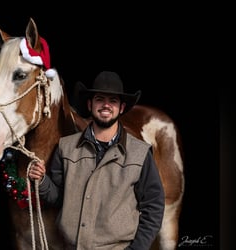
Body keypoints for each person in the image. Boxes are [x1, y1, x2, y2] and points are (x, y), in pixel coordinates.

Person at [29, 71, 165, 250]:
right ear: (90, 104)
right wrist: (42, 181)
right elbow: (59, 198)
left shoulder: (139, 153)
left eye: (113, 101)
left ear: (121, 108)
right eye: (100, 99)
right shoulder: (66, 147)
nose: (106, 105)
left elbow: (153, 206)